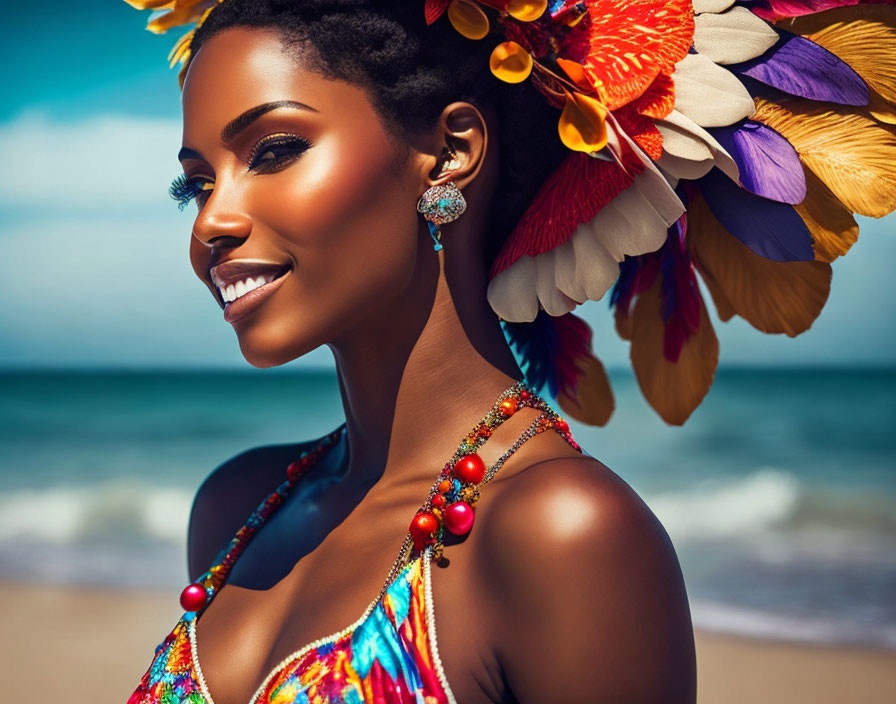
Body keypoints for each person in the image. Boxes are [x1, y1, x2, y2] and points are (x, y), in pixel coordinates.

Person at [123, 1, 896, 702]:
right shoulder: (238, 506)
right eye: (194, 185)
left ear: (451, 153)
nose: (210, 224)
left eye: (273, 150)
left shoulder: (564, 535)